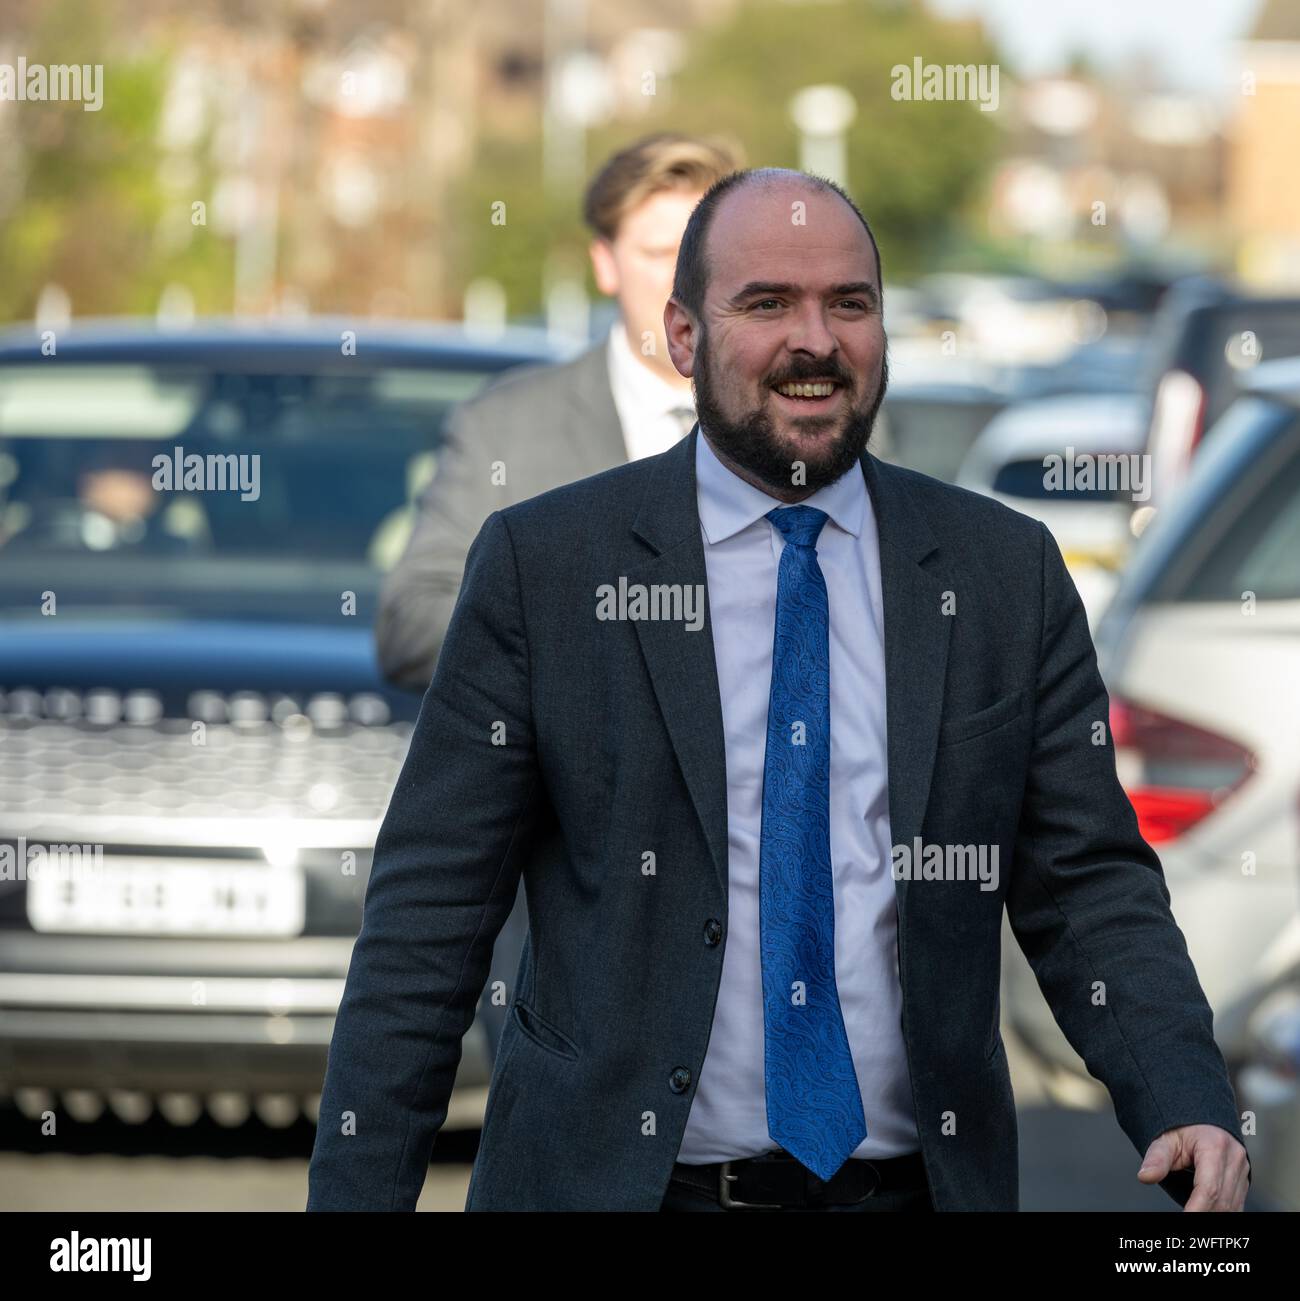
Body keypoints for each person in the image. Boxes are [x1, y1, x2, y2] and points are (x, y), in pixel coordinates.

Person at [308, 167, 1250, 1212]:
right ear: (682, 338)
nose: (815, 340)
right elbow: (428, 921)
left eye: (848, 304)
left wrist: (1182, 1090)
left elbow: (1087, 883)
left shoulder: (1000, 575)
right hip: (620, 1186)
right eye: (766, 304)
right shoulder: (549, 568)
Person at [374, 133, 741, 1065]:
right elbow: (413, 618)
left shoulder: (805, 425)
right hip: (564, 919)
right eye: (661, 252)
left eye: (707, 254)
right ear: (604, 261)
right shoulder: (511, 425)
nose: (681, 283)